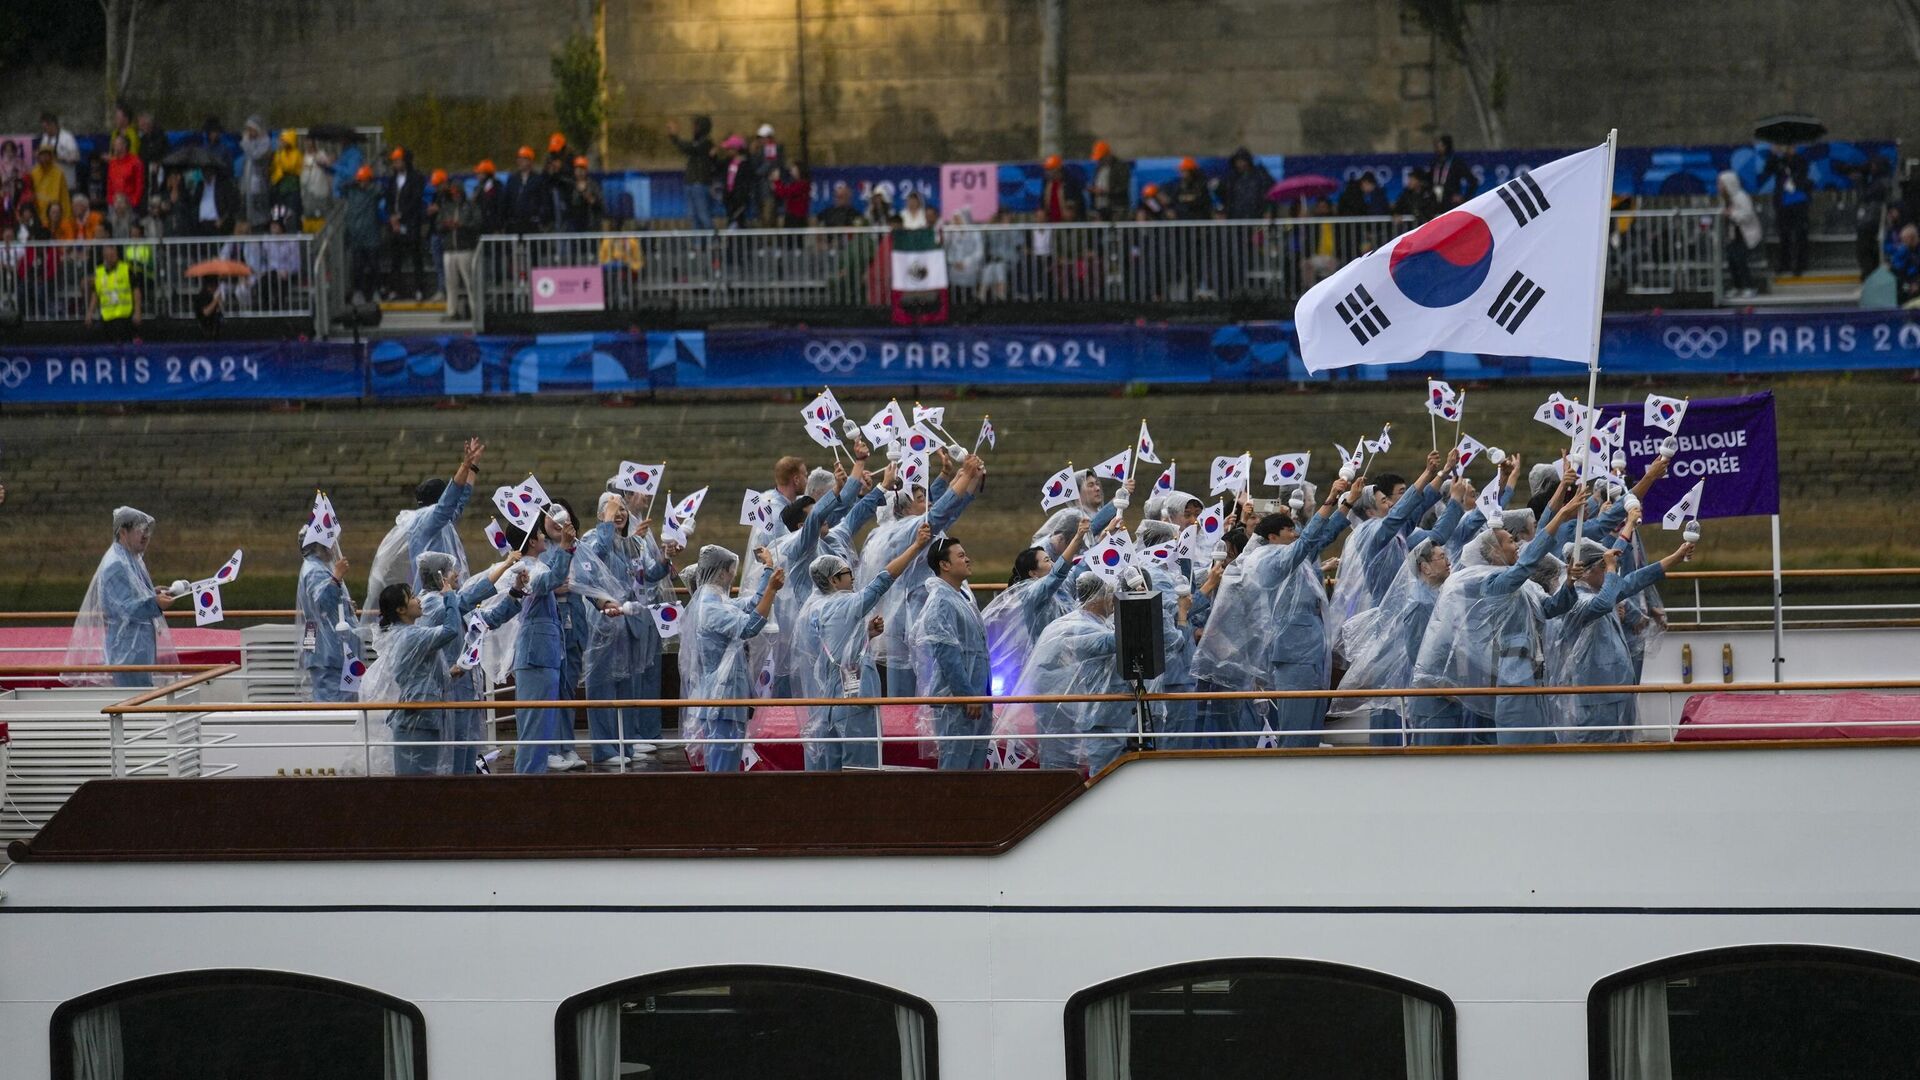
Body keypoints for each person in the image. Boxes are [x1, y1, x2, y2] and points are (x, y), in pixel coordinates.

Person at [1410, 490, 1583, 746]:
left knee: (1541, 741)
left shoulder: (1523, 585)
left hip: (1534, 672)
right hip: (1515, 675)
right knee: (1521, 745)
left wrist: (1569, 583)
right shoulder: (1493, 583)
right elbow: (1527, 564)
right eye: (1510, 542)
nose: (1516, 546)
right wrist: (1562, 516)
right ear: (1493, 552)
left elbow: (1550, 607)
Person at [1193, 480, 1355, 749]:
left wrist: (1346, 505)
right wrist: (1331, 500)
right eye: (1289, 530)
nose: (1295, 534)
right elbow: (1307, 542)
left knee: (1313, 729)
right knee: (1297, 731)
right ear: (1272, 537)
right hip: (1293, 656)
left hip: (1311, 651)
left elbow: (1321, 538)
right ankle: (1292, 780)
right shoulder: (1269, 560)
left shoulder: (1288, 557)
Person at [793, 522, 934, 771]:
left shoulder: (815, 609)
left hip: (830, 705)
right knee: (861, 772)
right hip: (854, 704)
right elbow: (884, 579)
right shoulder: (846, 604)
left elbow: (834, 647)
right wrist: (916, 546)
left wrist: (866, 635)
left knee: (833, 772)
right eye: (848, 572)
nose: (853, 576)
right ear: (834, 580)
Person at [1549, 536, 1693, 743]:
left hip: (1618, 687)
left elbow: (1634, 580)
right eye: (1606, 568)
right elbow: (1602, 604)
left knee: (1623, 745)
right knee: (1598, 748)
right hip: (1596, 694)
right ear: (1591, 570)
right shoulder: (1575, 600)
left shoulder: (1599, 592)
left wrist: (1675, 558)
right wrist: (1610, 570)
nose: (1612, 574)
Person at [580, 491, 679, 764]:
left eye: (622, 508)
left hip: (630, 625)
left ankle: (626, 747)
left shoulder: (634, 544)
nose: (620, 513)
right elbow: (593, 559)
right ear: (601, 515)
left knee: (627, 688)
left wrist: (664, 558)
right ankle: (604, 750)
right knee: (601, 690)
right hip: (604, 623)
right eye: (612, 509)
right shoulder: (591, 539)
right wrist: (607, 526)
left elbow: (647, 575)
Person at [1335, 539, 1451, 746]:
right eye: (1441, 558)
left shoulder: (1432, 595)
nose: (1448, 562)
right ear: (1425, 567)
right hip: (1431, 689)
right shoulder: (1421, 602)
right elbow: (1419, 654)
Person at [417, 549, 523, 774]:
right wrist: (504, 566)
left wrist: (515, 592)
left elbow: (489, 619)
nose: (457, 574)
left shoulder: (452, 605)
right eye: (451, 570)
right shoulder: (433, 606)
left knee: (467, 754)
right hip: (449, 693)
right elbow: (469, 598)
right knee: (454, 757)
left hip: (468, 693)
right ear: (440, 577)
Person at [681, 546, 784, 772]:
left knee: (727, 764)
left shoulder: (717, 601)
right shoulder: (710, 608)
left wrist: (767, 569)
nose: (732, 576)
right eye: (730, 571)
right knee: (723, 768)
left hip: (726, 697)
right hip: (722, 699)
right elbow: (750, 626)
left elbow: (752, 603)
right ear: (720, 573)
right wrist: (772, 591)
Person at [65, 506, 180, 687]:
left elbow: (131, 594)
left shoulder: (129, 558)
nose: (145, 535)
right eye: (139, 530)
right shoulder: (117, 564)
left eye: (147, 531)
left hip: (136, 645)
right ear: (123, 533)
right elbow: (122, 607)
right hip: (128, 648)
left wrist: (152, 593)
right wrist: (154, 604)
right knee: (135, 697)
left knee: (141, 694)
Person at [981, 516, 1089, 698]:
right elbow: (1058, 574)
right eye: (1047, 560)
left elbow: (1078, 569)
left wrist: (1107, 536)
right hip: (1050, 668)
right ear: (1033, 573)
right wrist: (1078, 537)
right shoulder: (1032, 594)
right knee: (1052, 723)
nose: (1052, 563)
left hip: (1071, 662)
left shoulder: (1058, 589)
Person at [366, 437, 484, 604]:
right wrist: (465, 465)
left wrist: (473, 466)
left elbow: (461, 498)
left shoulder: (441, 521)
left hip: (448, 592)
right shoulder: (428, 521)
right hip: (434, 598)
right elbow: (452, 497)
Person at [372, 579, 466, 776]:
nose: (419, 600)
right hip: (420, 716)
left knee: (418, 779)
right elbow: (450, 630)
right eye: (412, 597)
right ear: (401, 609)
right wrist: (449, 596)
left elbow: (417, 674)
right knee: (418, 780)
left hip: (419, 714)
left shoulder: (402, 634)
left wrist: (449, 674)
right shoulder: (411, 636)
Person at [913, 536, 991, 769]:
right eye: (960, 555)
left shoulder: (961, 598)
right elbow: (947, 655)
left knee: (975, 765)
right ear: (944, 565)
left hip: (978, 696)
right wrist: (965, 695)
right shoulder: (941, 602)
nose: (967, 559)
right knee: (955, 766)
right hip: (960, 701)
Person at [296, 536, 357, 702]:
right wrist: (337, 577)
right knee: (334, 703)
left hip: (329, 648)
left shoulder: (316, 567)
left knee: (344, 698)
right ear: (318, 546)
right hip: (330, 650)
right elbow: (322, 603)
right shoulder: (316, 570)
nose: (333, 548)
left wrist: (346, 606)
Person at [1758, 143, 1813, 277]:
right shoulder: (1778, 161)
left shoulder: (1800, 160)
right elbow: (1767, 170)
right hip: (1783, 202)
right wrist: (1774, 154)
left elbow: (1802, 173)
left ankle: (1799, 264)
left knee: (1800, 233)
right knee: (1784, 233)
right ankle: (1784, 262)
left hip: (1797, 201)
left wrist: (1791, 156)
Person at [384, 147, 427, 299]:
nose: (396, 164)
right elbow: (388, 200)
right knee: (396, 258)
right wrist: (392, 217)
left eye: (398, 161)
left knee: (416, 256)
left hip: (410, 223)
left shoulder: (416, 178)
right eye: (394, 161)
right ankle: (394, 289)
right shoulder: (391, 180)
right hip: (395, 224)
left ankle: (419, 289)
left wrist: (401, 216)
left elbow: (415, 201)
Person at [436, 175, 481, 320]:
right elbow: (437, 225)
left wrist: (462, 225)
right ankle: (451, 311)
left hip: (465, 248)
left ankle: (476, 313)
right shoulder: (446, 207)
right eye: (452, 191)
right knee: (450, 284)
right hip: (449, 249)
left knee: (471, 283)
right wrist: (446, 225)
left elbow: (477, 224)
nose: (454, 194)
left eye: (457, 191)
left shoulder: (470, 205)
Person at [667, 116, 717, 230]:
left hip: (699, 183)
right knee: (694, 217)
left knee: (703, 215)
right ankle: (698, 245)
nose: (693, 128)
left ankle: (713, 242)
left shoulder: (706, 143)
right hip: (691, 182)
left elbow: (690, 148)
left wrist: (675, 137)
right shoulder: (698, 142)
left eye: (696, 125)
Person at [1718, 170, 1762, 299]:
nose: (1719, 187)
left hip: (1743, 234)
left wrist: (1731, 214)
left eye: (1721, 184)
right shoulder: (1726, 199)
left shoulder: (1741, 197)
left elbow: (1747, 215)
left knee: (1741, 260)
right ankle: (1737, 286)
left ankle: (1749, 286)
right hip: (1733, 234)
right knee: (1732, 261)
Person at [342, 165, 383, 301]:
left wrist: (370, 183)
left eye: (365, 180)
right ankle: (358, 291)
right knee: (357, 266)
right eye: (360, 180)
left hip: (371, 235)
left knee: (374, 265)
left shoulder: (373, 192)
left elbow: (381, 190)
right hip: (356, 236)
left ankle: (375, 290)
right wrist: (354, 181)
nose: (363, 183)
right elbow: (342, 187)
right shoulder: (352, 192)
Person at [86, 244, 141, 340]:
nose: (111, 258)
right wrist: (90, 312)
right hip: (107, 317)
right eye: (108, 256)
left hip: (124, 317)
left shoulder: (126, 269)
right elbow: (95, 294)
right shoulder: (99, 272)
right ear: (104, 257)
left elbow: (136, 291)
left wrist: (137, 311)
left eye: (113, 255)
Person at [1217, 147, 1273, 220]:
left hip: (1256, 218)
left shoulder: (1260, 176)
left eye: (1242, 161)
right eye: (1237, 161)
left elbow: (1268, 194)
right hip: (1235, 219)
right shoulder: (1231, 178)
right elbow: (1224, 196)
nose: (1240, 164)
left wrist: (1267, 211)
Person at [505, 146, 548, 234]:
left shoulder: (538, 180)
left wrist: (539, 218)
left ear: (530, 161)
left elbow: (544, 200)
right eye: (519, 158)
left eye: (523, 159)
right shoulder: (512, 179)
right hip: (514, 224)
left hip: (532, 225)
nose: (520, 161)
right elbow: (506, 199)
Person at [1087, 140, 1132, 222]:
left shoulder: (1121, 167)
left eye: (1101, 158)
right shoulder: (1099, 168)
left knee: (1117, 232)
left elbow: (1122, 188)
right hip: (1100, 208)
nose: (1099, 161)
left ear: (1107, 155)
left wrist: (1104, 192)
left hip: (1117, 207)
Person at [1429, 135, 1475, 210]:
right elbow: (1429, 179)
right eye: (1437, 146)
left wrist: (1464, 198)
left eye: (1441, 146)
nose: (1438, 148)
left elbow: (1473, 181)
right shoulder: (1435, 162)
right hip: (1434, 202)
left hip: (1450, 202)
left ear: (1447, 146)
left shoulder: (1456, 162)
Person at [35, 112, 80, 189]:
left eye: (45, 128)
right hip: (50, 183)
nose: (44, 131)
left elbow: (76, 158)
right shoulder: (45, 137)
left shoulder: (67, 137)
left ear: (53, 125)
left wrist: (58, 158)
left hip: (65, 182)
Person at [30, 144, 69, 230]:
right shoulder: (33, 174)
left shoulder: (59, 173)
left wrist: (66, 217)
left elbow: (64, 197)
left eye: (47, 154)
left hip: (56, 217)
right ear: (38, 157)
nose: (44, 157)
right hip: (38, 217)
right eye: (42, 155)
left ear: (51, 156)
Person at [105, 133, 144, 219]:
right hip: (114, 203)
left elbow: (139, 184)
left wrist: (134, 201)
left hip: (129, 203)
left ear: (124, 145)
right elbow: (109, 183)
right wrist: (110, 200)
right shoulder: (112, 163)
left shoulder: (135, 162)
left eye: (117, 144)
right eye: (114, 144)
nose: (114, 147)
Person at [561, 155, 602, 233]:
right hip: (574, 227)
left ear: (586, 170)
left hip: (590, 227)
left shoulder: (593, 185)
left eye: (582, 168)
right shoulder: (570, 185)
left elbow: (598, 204)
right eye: (577, 168)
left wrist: (584, 192)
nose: (580, 171)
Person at [1040, 155, 1083, 223]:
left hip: (1068, 215)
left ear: (1057, 169)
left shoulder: (1070, 181)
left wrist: (1070, 207)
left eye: (1050, 169)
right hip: (1050, 216)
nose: (1047, 172)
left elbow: (1076, 199)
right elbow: (1042, 199)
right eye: (1047, 170)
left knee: (1069, 214)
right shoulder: (1046, 182)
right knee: (1040, 215)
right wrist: (1042, 210)